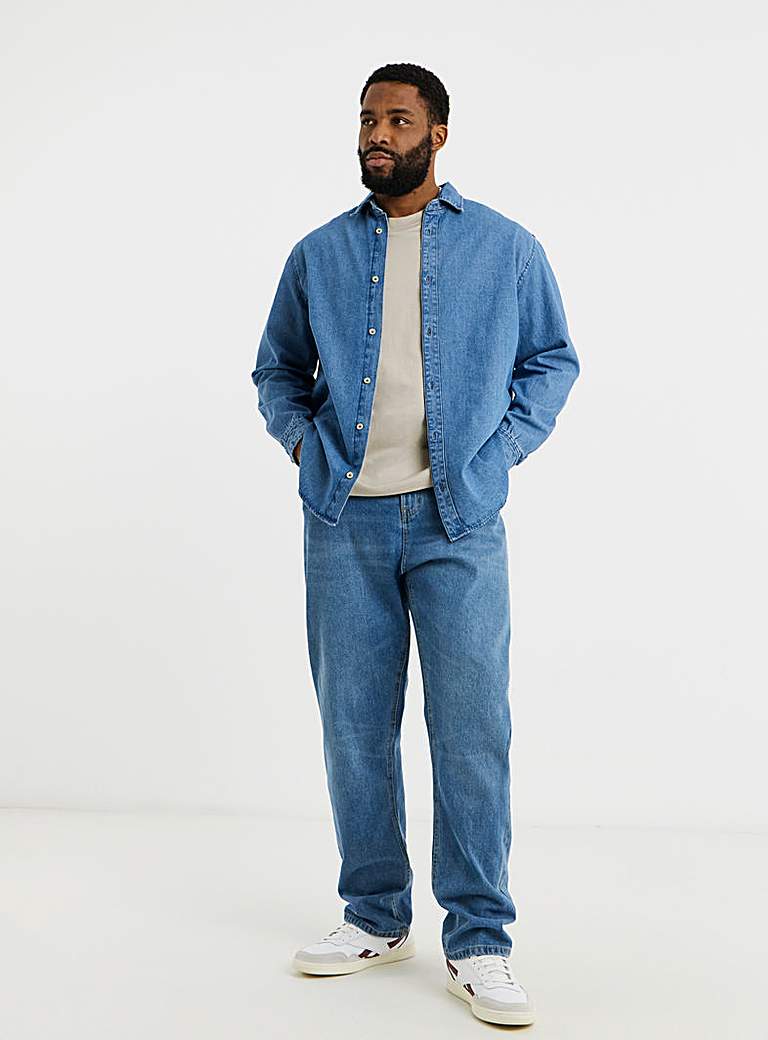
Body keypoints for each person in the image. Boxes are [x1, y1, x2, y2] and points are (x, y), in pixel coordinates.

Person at [251, 62, 580, 1028]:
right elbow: (276, 370)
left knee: (471, 731)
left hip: (457, 522)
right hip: (343, 521)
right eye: (367, 119)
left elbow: (552, 360)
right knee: (354, 728)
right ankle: (374, 915)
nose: (376, 135)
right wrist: (307, 446)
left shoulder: (505, 248)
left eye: (398, 119)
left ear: (438, 134)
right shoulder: (318, 254)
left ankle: (478, 939)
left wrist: (494, 458)